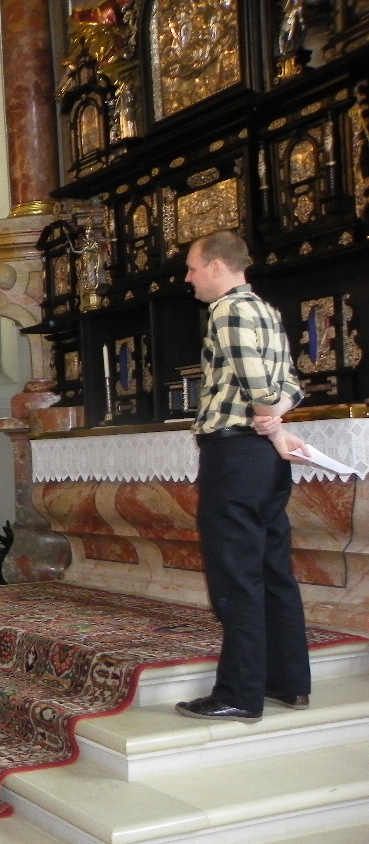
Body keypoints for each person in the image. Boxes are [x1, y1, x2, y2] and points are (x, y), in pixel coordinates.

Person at [176, 230, 311, 723]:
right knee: (273, 569)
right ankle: (288, 682)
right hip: (264, 461)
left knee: (235, 574)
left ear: (216, 266)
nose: (189, 278)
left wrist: (271, 425)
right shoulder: (267, 311)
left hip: (235, 454)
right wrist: (276, 425)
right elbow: (292, 384)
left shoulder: (228, 309)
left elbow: (256, 383)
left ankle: (239, 693)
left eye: (193, 268)